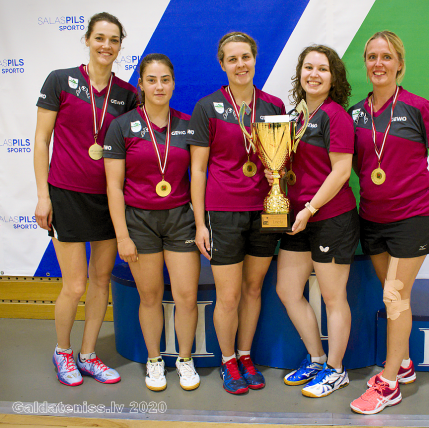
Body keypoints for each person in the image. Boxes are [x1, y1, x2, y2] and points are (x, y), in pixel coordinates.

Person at [348, 31, 429, 414]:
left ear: (399, 64)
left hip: (413, 219)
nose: (378, 63)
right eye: (372, 57)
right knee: (394, 295)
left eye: (386, 57)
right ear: (366, 64)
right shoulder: (355, 114)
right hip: (372, 220)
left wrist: (423, 203)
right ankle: (405, 362)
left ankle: (389, 382)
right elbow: (356, 166)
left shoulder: (419, 108)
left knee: (394, 297)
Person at [34, 13, 138, 386]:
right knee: (75, 284)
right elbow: (41, 140)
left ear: (120, 46)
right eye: (100, 38)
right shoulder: (60, 80)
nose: (106, 45)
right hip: (65, 195)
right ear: (88, 40)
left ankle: (89, 355)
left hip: (108, 199)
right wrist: (43, 195)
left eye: (114, 40)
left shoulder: (127, 94)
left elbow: (130, 151)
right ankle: (63, 351)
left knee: (100, 280)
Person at [188, 32, 285, 394]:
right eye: (233, 59)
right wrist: (200, 223)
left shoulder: (273, 105)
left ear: (255, 59)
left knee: (254, 288)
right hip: (223, 212)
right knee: (228, 295)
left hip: (265, 210)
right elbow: (198, 169)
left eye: (246, 57)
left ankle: (245, 355)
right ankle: (228, 360)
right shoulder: (207, 107)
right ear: (222, 64)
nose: (240, 64)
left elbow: (282, 162)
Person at [104, 54, 200, 392]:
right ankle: (155, 360)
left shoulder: (188, 124)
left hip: (180, 220)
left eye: (165, 80)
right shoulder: (121, 126)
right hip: (139, 222)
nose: (159, 86)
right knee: (150, 297)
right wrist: (122, 236)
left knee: (186, 296)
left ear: (173, 83)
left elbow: (203, 174)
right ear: (141, 85)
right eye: (152, 80)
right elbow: (113, 186)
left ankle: (185, 359)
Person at [270, 45, 359, 398]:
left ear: (333, 77)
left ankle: (337, 370)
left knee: (333, 298)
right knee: (287, 290)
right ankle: (317, 358)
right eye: (308, 67)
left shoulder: (336, 116)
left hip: (330, 217)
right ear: (300, 73)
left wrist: (309, 209)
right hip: (297, 217)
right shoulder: (294, 117)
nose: (314, 74)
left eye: (323, 69)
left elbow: (341, 171)